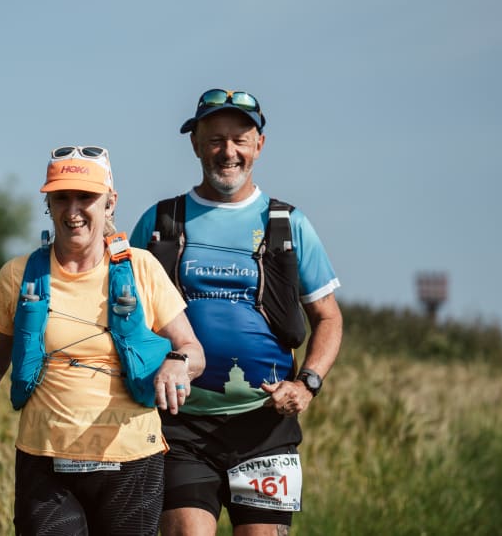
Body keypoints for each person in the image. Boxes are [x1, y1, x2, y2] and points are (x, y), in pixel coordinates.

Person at [0, 145, 205, 536]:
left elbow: (193, 350)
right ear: (48, 205)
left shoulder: (142, 268)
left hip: (132, 460)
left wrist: (177, 363)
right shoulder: (17, 275)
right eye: (61, 198)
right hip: (45, 461)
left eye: (86, 197)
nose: (73, 211)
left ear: (110, 202)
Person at [130, 89, 344, 536]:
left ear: (258, 146)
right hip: (180, 425)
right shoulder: (160, 222)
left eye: (240, 140)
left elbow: (328, 317)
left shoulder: (289, 224)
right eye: (215, 140)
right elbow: (124, 313)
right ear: (195, 145)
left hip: (266, 427)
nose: (228, 152)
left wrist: (307, 384)